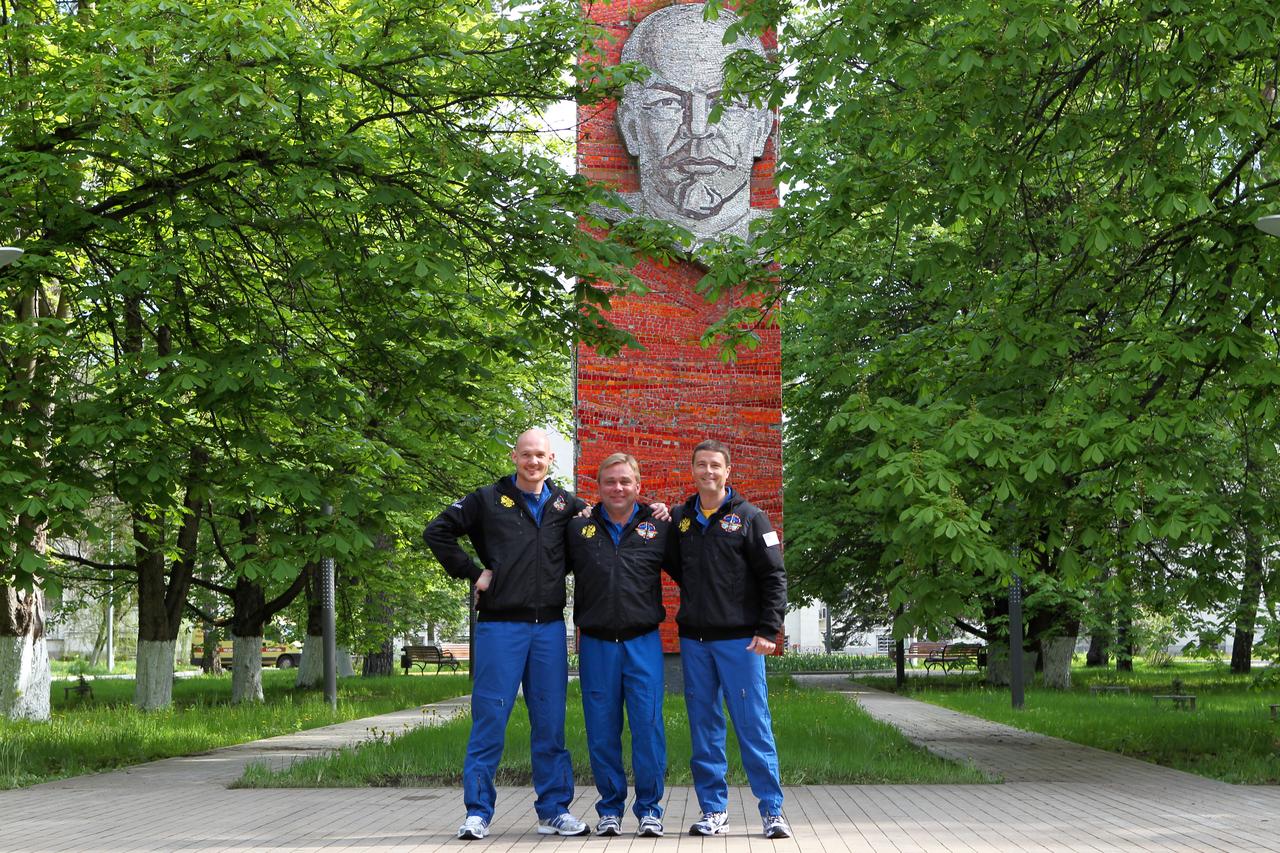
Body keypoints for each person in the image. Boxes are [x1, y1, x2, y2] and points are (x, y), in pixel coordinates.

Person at [423, 428, 590, 840]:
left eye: (541, 456)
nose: (533, 462)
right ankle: (478, 812)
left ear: (552, 460)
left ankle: (554, 811)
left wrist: (655, 511)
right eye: (526, 455)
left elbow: (606, 527)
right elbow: (436, 531)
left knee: (550, 723)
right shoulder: (485, 499)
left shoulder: (566, 504)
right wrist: (473, 572)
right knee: (490, 721)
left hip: (550, 629)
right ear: (514, 456)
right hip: (500, 627)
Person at [665, 439, 790, 839]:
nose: (708, 472)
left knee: (753, 724)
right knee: (704, 728)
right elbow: (671, 563)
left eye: (715, 466)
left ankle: (772, 811)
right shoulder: (681, 520)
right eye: (701, 465)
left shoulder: (752, 518)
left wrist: (768, 629)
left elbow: (774, 577)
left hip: (742, 642)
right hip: (695, 641)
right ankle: (713, 811)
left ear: (727, 471)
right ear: (693, 470)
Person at [594, 3, 774, 245]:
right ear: (632, 128)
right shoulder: (595, 220)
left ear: (761, 130)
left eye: (727, 102)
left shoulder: (790, 236)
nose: (698, 129)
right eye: (667, 102)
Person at [565, 453, 671, 838]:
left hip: (642, 642)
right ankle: (609, 808)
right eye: (610, 481)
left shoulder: (658, 526)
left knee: (647, 727)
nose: (618, 488)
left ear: (638, 485)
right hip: (596, 645)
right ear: (599, 486)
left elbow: (696, 568)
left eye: (625, 481)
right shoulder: (578, 529)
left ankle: (650, 809)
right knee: (601, 730)